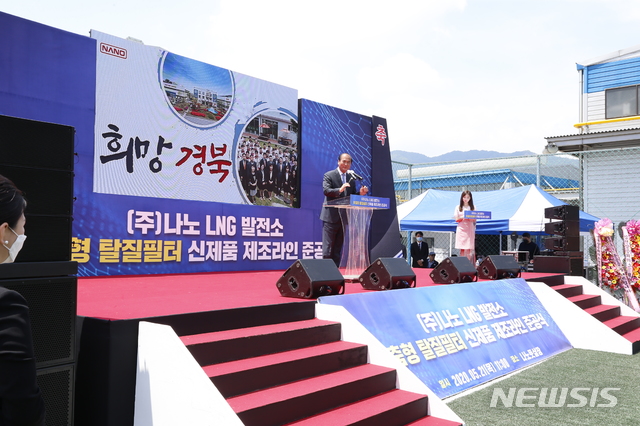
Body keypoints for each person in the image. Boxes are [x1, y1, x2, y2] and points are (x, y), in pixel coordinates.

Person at [0, 174, 46, 425]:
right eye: (23, 226)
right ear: (4, 231)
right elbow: (24, 410)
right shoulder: (7, 305)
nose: (23, 234)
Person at [320, 153, 368, 266]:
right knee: (327, 249)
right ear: (338, 161)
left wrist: (360, 194)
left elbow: (349, 198)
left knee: (337, 249)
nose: (346, 164)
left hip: (344, 217)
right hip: (330, 217)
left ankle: (334, 274)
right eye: (344, 161)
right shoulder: (329, 175)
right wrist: (339, 190)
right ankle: (325, 273)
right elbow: (326, 191)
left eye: (348, 162)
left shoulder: (351, 179)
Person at [454, 190, 477, 264]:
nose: (466, 199)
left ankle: (469, 264)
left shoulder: (473, 207)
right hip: (461, 229)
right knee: (462, 248)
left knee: (469, 249)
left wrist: (469, 217)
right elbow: (456, 219)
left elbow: (475, 219)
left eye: (468, 197)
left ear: (470, 198)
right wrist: (463, 217)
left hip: (469, 229)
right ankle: (462, 264)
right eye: (464, 197)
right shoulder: (458, 207)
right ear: (462, 198)